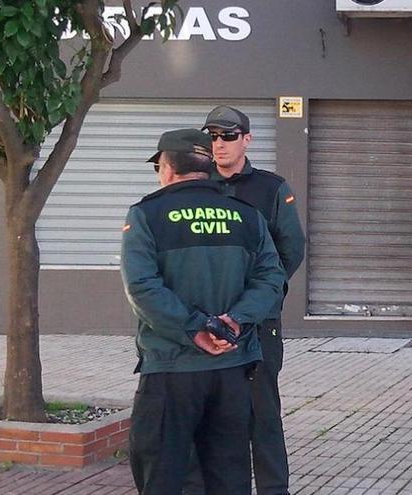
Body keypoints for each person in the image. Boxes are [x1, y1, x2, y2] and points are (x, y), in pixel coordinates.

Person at [121, 128, 285, 494]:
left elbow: (143, 287)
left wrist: (194, 329)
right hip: (233, 370)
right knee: (229, 476)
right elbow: (271, 280)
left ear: (167, 168)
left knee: (161, 474)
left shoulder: (147, 215)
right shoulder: (247, 216)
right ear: (208, 168)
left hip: (172, 369)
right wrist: (236, 321)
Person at [185, 106, 305, 495]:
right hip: (207, 321)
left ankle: (273, 489)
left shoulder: (271, 189)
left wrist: (259, 299)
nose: (219, 144)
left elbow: (291, 251)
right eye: (213, 137)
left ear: (247, 140)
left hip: (257, 323)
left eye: (228, 136)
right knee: (208, 412)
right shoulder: (197, 187)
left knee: (261, 412)